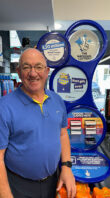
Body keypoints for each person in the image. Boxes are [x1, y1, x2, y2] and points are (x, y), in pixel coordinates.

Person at [0, 48, 76, 198]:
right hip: (18, 185)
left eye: (38, 67)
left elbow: (62, 134)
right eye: (26, 67)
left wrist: (67, 167)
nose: (33, 73)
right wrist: (5, 194)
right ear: (19, 72)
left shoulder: (57, 100)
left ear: (47, 71)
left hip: (53, 182)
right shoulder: (4, 106)